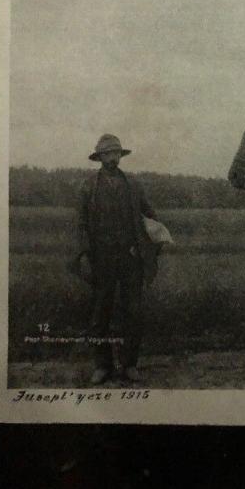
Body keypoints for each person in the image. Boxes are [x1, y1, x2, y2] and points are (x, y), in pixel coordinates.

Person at [76, 134, 159, 385]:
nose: (112, 158)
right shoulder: (88, 187)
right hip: (102, 260)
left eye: (116, 153)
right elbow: (80, 225)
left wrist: (149, 242)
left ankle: (130, 365)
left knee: (133, 312)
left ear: (120, 156)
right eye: (107, 154)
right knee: (100, 313)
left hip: (130, 260)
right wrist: (84, 256)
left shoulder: (133, 185)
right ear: (99, 157)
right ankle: (102, 366)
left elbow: (150, 216)